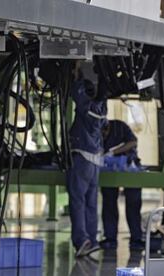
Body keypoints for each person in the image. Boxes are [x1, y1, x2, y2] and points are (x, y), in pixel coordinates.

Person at [67, 75, 107, 257]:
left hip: (82, 159)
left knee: (77, 202)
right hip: (95, 162)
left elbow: (76, 91)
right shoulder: (101, 108)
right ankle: (93, 240)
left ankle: (82, 240)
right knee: (91, 204)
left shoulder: (86, 108)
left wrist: (74, 70)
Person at [100, 119, 143, 250]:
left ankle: (136, 239)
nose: (104, 136)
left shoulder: (120, 127)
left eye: (105, 133)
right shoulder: (95, 131)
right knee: (109, 202)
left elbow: (133, 142)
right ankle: (110, 239)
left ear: (107, 127)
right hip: (108, 169)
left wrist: (114, 152)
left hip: (130, 167)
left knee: (133, 203)